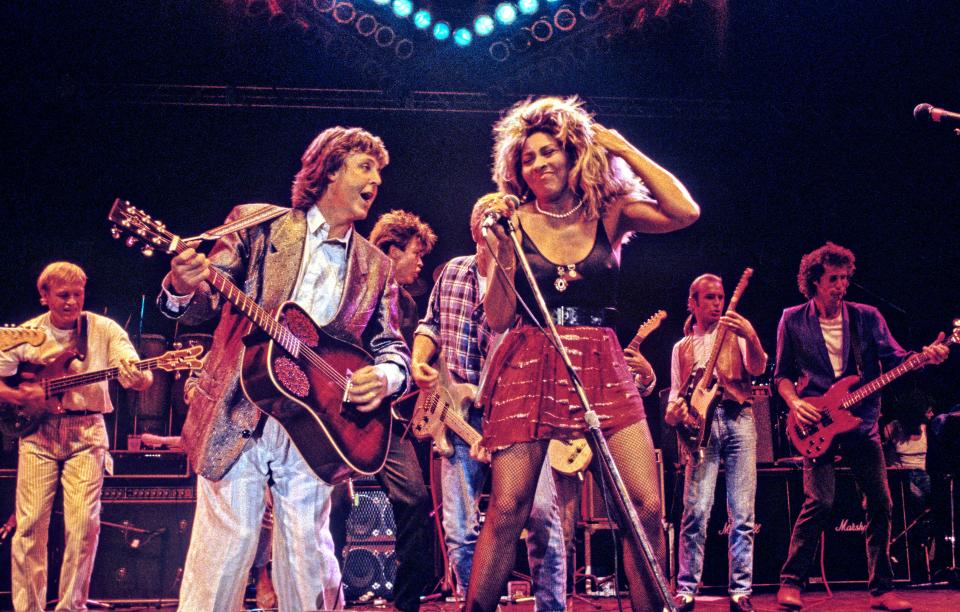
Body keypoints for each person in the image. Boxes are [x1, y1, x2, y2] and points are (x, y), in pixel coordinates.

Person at [158, 126, 410, 610]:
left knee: (308, 558)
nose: (376, 179)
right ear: (330, 169)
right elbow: (202, 305)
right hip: (238, 405)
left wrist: (385, 376)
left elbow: (390, 343)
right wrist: (181, 284)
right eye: (365, 167)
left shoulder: (376, 266)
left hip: (319, 423)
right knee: (222, 554)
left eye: (379, 171)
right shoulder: (256, 225)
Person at [466, 95, 700, 610]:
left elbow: (685, 211)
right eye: (527, 158)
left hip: (600, 360)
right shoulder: (509, 220)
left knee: (644, 505)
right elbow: (499, 317)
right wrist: (499, 246)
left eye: (550, 151)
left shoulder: (608, 212)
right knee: (508, 509)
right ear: (516, 169)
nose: (540, 163)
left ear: (574, 155)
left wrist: (622, 147)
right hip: (528, 359)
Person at [411, 193, 568, 609]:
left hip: (518, 415)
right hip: (459, 416)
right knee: (460, 528)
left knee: (540, 520)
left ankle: (551, 608)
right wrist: (418, 359)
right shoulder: (451, 274)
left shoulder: (529, 283)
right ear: (473, 227)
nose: (494, 224)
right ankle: (475, 603)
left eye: (504, 219)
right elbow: (431, 325)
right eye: (487, 216)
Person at [774, 242, 949, 611]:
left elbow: (897, 359)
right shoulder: (792, 319)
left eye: (845, 278)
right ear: (814, 282)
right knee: (818, 501)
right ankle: (791, 583)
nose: (841, 285)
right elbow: (782, 376)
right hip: (816, 421)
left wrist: (924, 359)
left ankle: (881, 590)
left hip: (861, 423)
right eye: (833, 279)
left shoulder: (867, 317)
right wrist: (796, 403)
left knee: (882, 503)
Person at [0, 262, 153, 611]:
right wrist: (20, 397)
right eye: (63, 295)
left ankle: (72, 607)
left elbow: (135, 369)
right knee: (30, 527)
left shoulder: (104, 329)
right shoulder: (27, 332)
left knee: (84, 525)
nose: (71, 302)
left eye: (78, 294)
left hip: (87, 430)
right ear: (45, 297)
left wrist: (138, 377)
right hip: (39, 434)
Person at [329, 209, 437, 611]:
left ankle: (406, 603)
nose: (420, 263)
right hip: (331, 414)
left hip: (382, 418)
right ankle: (329, 597)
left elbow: (402, 359)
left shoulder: (406, 304)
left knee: (414, 500)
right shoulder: (345, 279)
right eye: (415, 254)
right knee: (334, 506)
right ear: (390, 251)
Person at [665, 274, 767, 612]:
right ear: (692, 303)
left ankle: (741, 591)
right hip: (701, 430)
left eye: (720, 296)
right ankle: (686, 590)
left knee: (742, 511)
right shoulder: (681, 349)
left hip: (738, 417)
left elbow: (759, 366)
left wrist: (750, 335)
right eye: (708, 297)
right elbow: (674, 400)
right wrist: (674, 415)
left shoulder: (735, 336)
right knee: (696, 509)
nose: (717, 303)